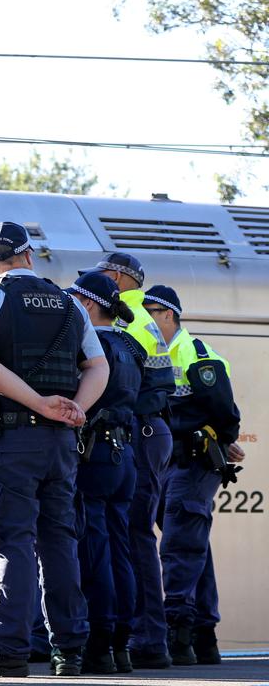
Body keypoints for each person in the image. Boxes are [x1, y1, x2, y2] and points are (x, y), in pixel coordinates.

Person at [0, 221, 109, 678]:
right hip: (60, 443)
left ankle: (7, 649)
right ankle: (70, 652)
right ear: (29, 256)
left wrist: (37, 403)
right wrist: (73, 409)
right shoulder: (68, 303)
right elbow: (97, 367)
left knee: (8, 542)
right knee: (59, 542)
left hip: (8, 440)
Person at [78, 252, 175, 670]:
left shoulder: (126, 314)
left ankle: (134, 637)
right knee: (131, 539)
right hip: (140, 432)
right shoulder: (140, 326)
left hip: (123, 433)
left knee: (110, 539)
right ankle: (137, 638)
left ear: (116, 278)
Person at [145, 285, 244, 666]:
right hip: (167, 463)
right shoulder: (154, 355)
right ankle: (204, 635)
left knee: (180, 545)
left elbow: (226, 414)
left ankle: (178, 631)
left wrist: (220, 442)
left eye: (150, 312)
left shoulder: (197, 356)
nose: (144, 320)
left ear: (168, 314)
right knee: (190, 545)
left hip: (193, 463)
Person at [65, 273, 143, 674]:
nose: (70, 305)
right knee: (121, 549)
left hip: (94, 454)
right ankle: (121, 644)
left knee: (94, 550)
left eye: (75, 299)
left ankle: (99, 643)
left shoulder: (92, 347)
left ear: (90, 304)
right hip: (124, 453)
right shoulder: (130, 345)